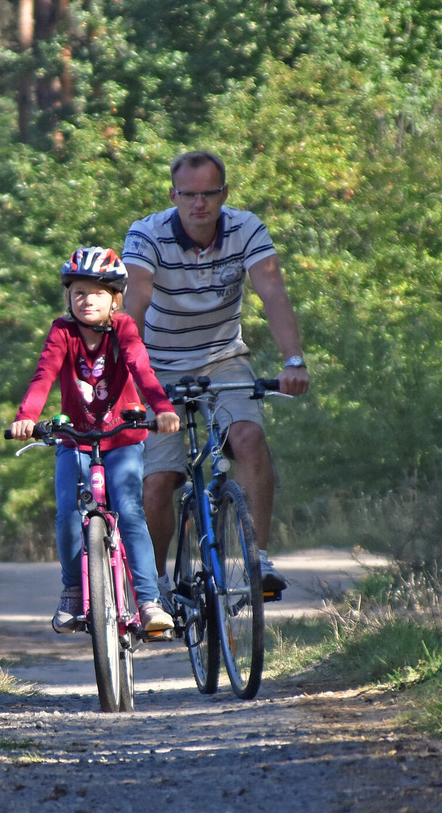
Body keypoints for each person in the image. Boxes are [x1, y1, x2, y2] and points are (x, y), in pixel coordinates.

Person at [122, 149, 310, 596]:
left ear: (224, 193)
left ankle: (257, 560)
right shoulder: (147, 234)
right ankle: (157, 588)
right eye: (188, 194)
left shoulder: (246, 228)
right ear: (173, 196)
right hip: (157, 366)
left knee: (248, 438)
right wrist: (126, 376)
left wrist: (293, 361)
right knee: (157, 483)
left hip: (223, 359)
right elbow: (135, 302)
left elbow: (273, 292)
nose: (199, 203)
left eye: (208, 193)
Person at [10, 247, 182, 635]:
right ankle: (73, 591)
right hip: (75, 442)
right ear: (68, 298)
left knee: (130, 510)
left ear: (115, 299)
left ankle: (149, 602)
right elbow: (44, 376)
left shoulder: (124, 329)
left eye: (98, 293)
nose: (87, 300)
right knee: (68, 513)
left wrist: (162, 409)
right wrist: (27, 417)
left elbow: (142, 369)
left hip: (122, 440)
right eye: (79, 292)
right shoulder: (63, 332)